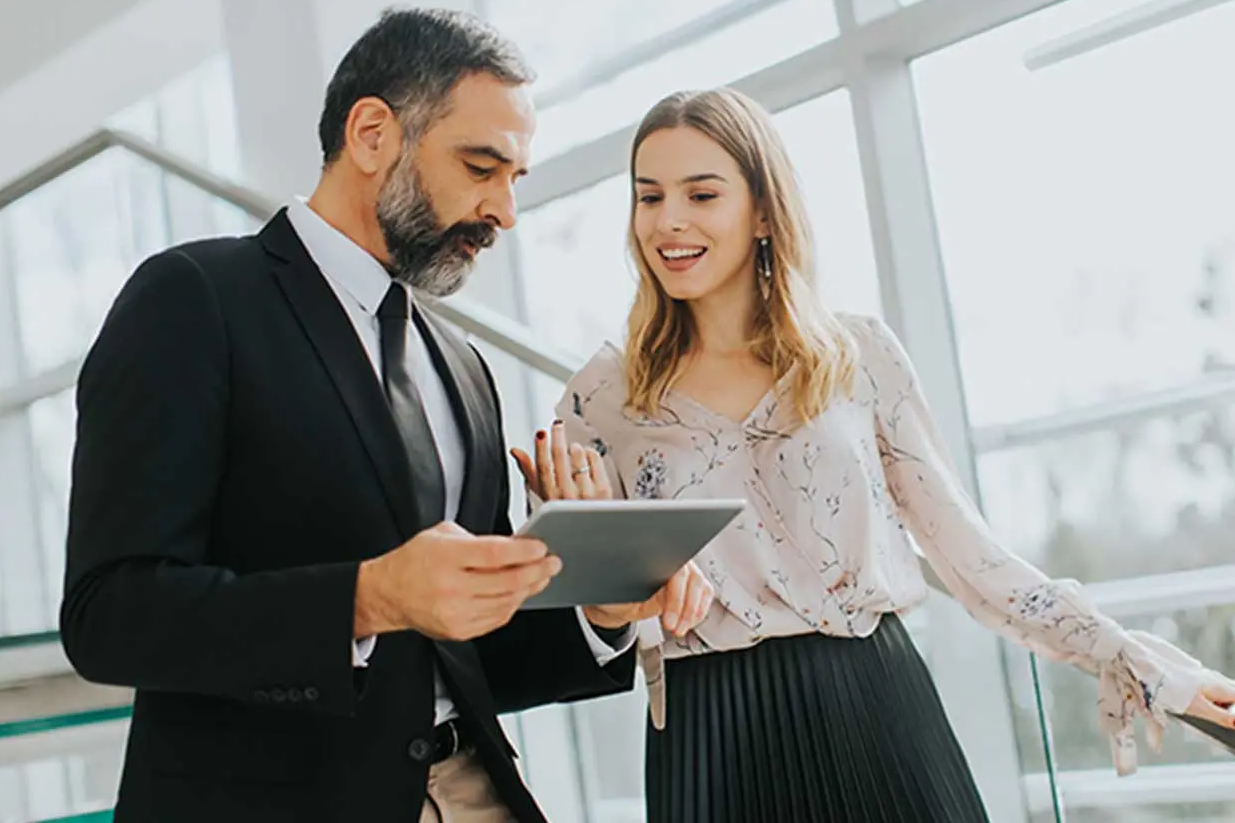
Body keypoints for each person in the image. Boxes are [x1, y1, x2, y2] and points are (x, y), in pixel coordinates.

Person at [60, 8, 713, 823]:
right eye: (482, 167)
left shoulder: (463, 367)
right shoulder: (195, 300)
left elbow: (465, 657)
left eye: (516, 180)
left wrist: (602, 610)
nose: (504, 211)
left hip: (473, 792)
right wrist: (368, 598)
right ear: (372, 134)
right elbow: (110, 616)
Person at [515, 87, 1235, 823]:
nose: (668, 221)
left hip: (876, 707)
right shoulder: (601, 397)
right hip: (710, 733)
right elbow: (587, 613)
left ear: (764, 210)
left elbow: (969, 556)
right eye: (649, 196)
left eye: (702, 194)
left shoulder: (856, 357)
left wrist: (1138, 663)